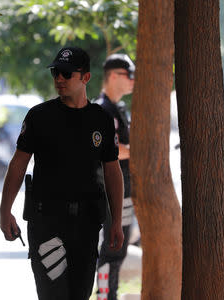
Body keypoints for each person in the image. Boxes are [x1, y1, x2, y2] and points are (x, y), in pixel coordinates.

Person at [0, 46, 125, 300]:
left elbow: (112, 171)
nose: (59, 78)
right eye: (56, 72)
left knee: (79, 295)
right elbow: (18, 164)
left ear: (85, 78)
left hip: (87, 225)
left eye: (67, 73)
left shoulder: (100, 119)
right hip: (47, 223)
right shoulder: (39, 116)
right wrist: (5, 211)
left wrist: (117, 221)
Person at [93, 53, 136, 300]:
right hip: (110, 193)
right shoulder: (101, 110)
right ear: (112, 76)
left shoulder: (119, 109)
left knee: (117, 251)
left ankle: (110, 294)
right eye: (127, 74)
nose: (132, 80)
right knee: (111, 250)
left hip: (124, 191)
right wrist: (134, 150)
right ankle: (104, 296)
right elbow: (105, 149)